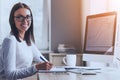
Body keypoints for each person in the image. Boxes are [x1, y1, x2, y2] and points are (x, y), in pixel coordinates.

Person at [0, 2, 53, 80]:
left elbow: (42, 60)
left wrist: (47, 64)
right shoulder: (10, 41)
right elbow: (10, 75)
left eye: (28, 17)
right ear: (12, 20)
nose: (25, 21)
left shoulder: (28, 42)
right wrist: (36, 68)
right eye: (20, 17)